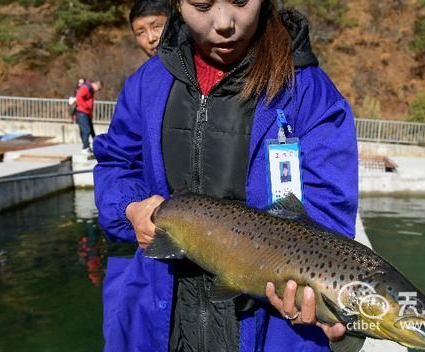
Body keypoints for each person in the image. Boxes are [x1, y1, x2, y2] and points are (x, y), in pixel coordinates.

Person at [94, 2, 359, 352]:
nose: (223, 24)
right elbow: (116, 163)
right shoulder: (147, 83)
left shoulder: (310, 92)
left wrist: (315, 295)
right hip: (155, 319)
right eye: (202, 5)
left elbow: (329, 216)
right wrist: (130, 207)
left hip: (271, 332)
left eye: (240, 1)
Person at [75, 79, 102, 154]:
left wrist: (90, 113)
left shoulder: (90, 89)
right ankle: (85, 147)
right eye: (98, 89)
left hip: (86, 113)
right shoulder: (86, 88)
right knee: (86, 130)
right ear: (96, 85)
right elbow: (79, 97)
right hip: (82, 112)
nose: (97, 91)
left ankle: (94, 147)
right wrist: (86, 107)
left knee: (92, 131)